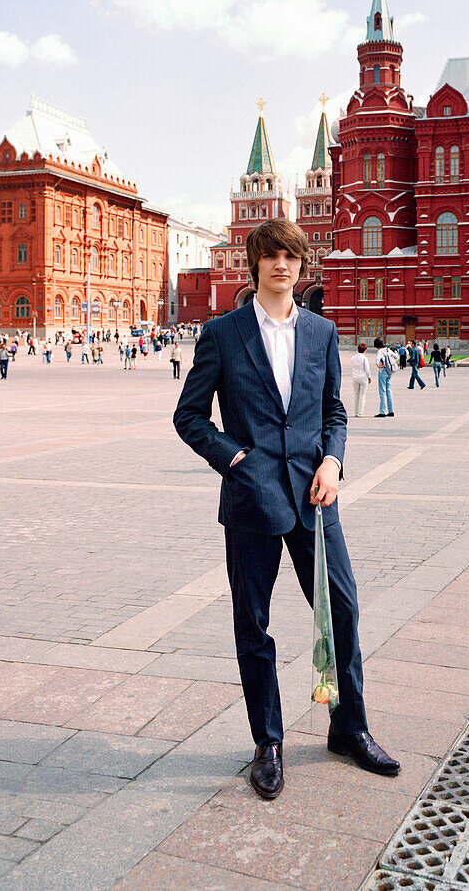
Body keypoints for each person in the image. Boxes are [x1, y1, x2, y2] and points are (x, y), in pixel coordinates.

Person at [174, 218, 399, 801]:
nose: (282, 266)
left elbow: (335, 414)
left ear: (303, 266)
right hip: (252, 497)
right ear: (255, 263)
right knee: (254, 624)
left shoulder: (322, 333)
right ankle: (267, 743)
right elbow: (190, 417)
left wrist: (334, 462)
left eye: (292, 257)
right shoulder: (223, 333)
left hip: (314, 495)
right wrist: (235, 458)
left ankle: (349, 727)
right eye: (271, 256)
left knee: (343, 610)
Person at [374, 337, 396, 417]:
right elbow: (396, 357)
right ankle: (391, 410)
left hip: (383, 371)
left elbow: (377, 360)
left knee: (382, 391)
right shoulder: (387, 349)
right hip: (389, 370)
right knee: (388, 390)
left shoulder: (380, 351)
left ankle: (382, 411)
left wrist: (378, 365)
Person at [350, 343, 371, 417]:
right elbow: (367, 369)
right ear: (365, 350)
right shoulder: (365, 358)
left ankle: (356, 412)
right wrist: (369, 377)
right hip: (363, 377)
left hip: (355, 377)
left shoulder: (353, 358)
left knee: (356, 395)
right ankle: (360, 412)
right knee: (362, 395)